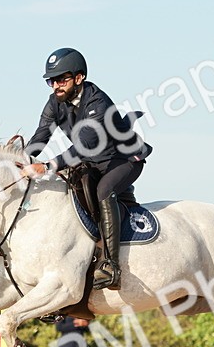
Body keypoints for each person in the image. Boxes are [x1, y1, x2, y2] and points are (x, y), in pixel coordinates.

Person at [20, 47, 152, 291]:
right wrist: (21, 158)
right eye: (51, 81)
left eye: (62, 79)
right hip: (93, 161)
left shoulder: (98, 103)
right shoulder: (55, 102)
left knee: (104, 191)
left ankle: (112, 266)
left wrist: (47, 166)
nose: (56, 86)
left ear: (79, 77)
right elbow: (41, 135)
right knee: (69, 185)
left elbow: (85, 146)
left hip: (123, 160)